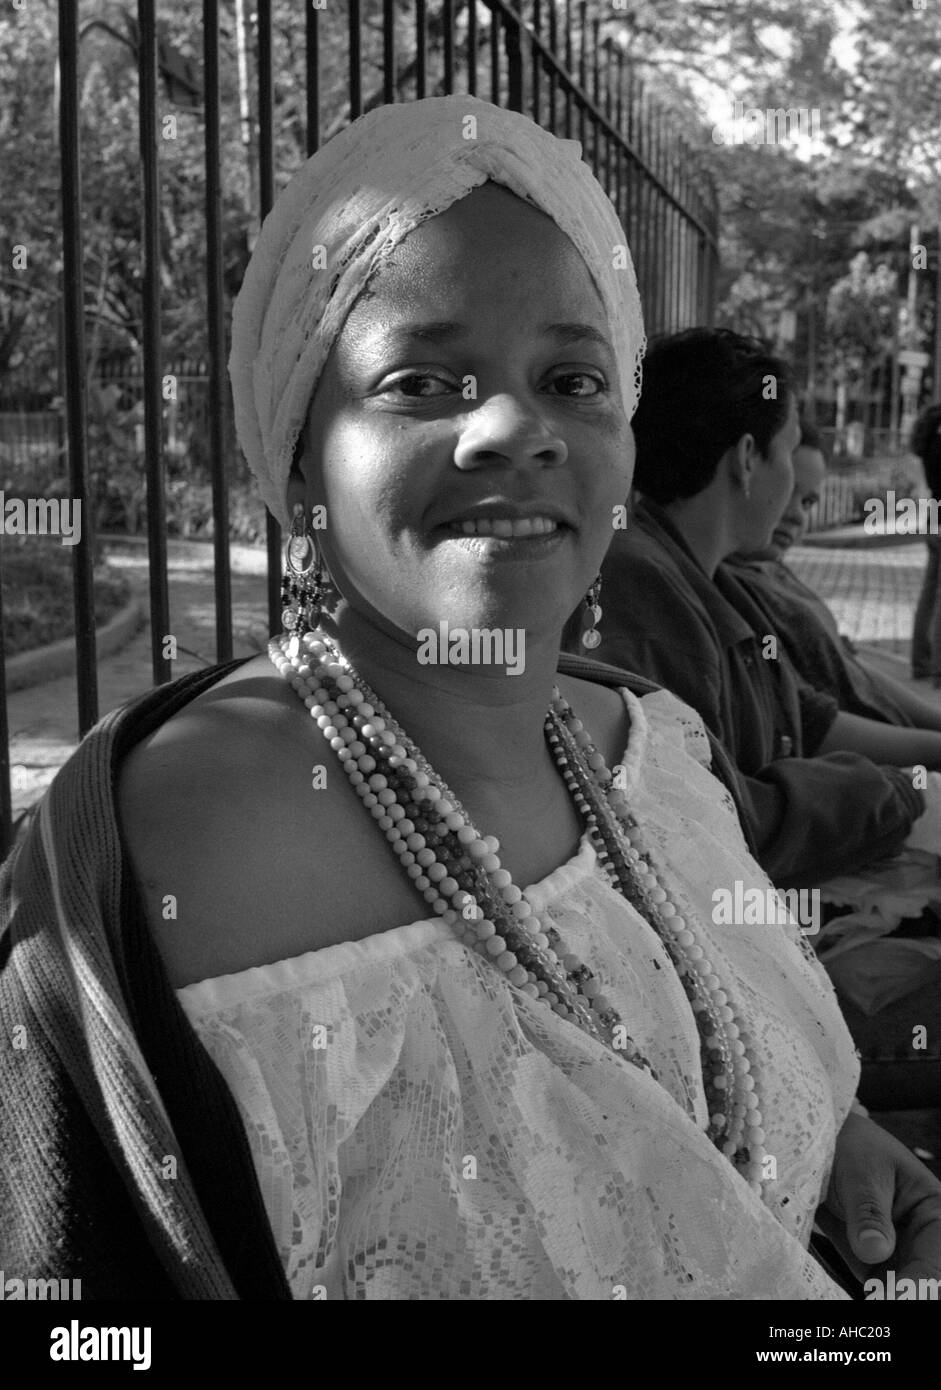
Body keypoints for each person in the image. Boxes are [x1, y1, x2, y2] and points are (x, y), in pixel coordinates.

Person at [2, 98, 939, 1302]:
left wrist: (835, 1146)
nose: (513, 427)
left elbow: (709, 1096)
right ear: (296, 449)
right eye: (421, 379)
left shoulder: (653, 753)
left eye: (571, 377)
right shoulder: (127, 869)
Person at [587, 328, 941, 890]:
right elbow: (704, 827)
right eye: (790, 449)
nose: (798, 493)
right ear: (749, 459)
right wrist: (898, 792)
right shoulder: (644, 593)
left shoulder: (699, 572)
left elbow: (797, 712)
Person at [728, 422, 941, 730]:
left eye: (808, 502)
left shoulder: (773, 571)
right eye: (787, 491)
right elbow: (811, 723)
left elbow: (849, 663)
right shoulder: (734, 589)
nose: (796, 515)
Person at [911, 403, 941, 682]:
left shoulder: (928, 439)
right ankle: (939, 669)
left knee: (929, 593)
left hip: (933, 518)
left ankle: (920, 662)